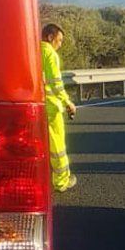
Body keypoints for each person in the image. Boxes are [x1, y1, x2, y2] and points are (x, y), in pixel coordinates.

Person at [41, 23, 78, 192]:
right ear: (50, 37)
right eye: (59, 40)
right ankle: (62, 181)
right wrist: (67, 102)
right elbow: (56, 84)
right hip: (51, 106)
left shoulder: (33, 50)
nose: (60, 44)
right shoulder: (50, 54)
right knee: (57, 146)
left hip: (37, 103)